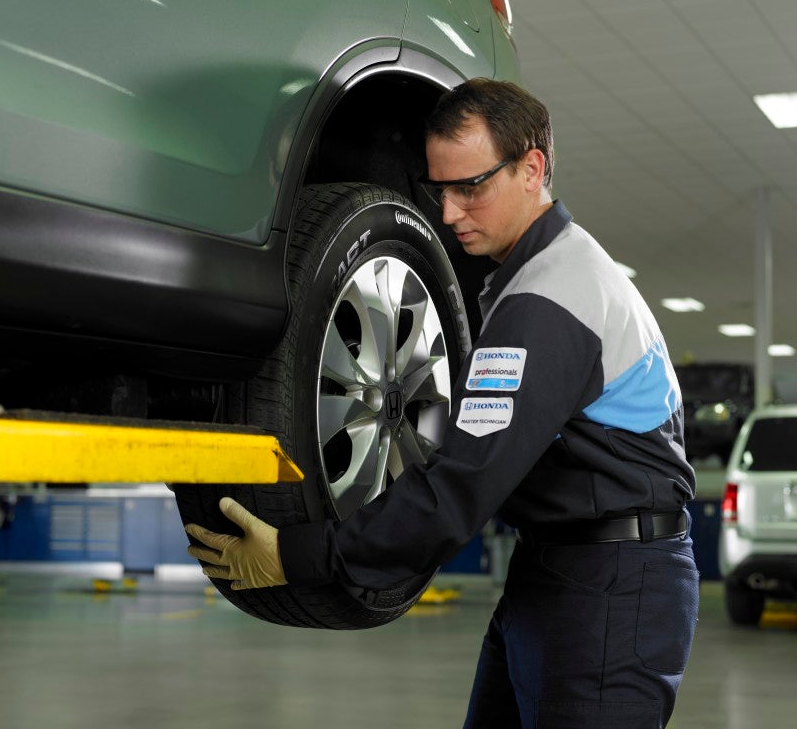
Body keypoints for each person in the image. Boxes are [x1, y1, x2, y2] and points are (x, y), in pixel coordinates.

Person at [186, 78, 699, 728]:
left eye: (472, 187)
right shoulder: (534, 280)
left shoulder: (551, 298)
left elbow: (458, 489)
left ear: (532, 168)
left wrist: (295, 554)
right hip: (560, 567)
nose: (451, 213)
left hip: (613, 586)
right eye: (439, 190)